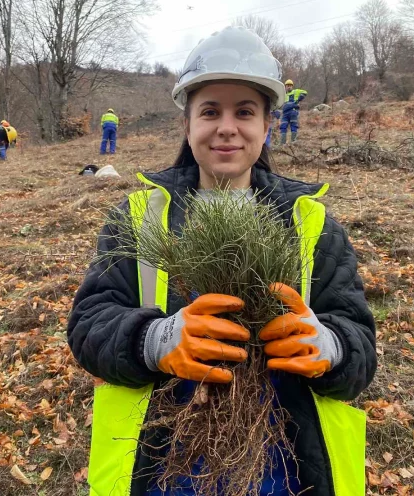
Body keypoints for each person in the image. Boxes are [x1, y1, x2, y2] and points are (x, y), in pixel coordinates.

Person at [68, 26, 376, 496]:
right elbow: (89, 325)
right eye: (210, 111)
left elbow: (360, 347)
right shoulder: (138, 218)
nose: (227, 127)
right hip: (161, 470)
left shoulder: (312, 225)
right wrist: (154, 339)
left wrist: (328, 347)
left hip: (287, 473)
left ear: (267, 125)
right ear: (187, 125)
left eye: (245, 111)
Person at [280, 79, 307, 144]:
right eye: (287, 85)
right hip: (285, 113)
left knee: (293, 126)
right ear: (285, 87)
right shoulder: (284, 94)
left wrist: (299, 99)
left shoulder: (296, 91)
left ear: (292, 86)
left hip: (293, 112)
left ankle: (293, 142)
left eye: (290, 85)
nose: (289, 87)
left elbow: (305, 92)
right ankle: (282, 143)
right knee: (283, 126)